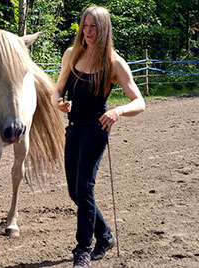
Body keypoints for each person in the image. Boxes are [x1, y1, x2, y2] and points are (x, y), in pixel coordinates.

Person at [51, 6, 145, 268]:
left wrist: (118, 111)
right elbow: (57, 88)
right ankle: (104, 235)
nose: (89, 32)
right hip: (73, 128)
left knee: (85, 188)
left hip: (96, 128)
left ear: (104, 29)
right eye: (86, 26)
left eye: (94, 27)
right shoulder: (71, 54)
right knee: (75, 192)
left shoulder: (114, 63)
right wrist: (58, 102)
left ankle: (83, 249)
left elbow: (139, 101)